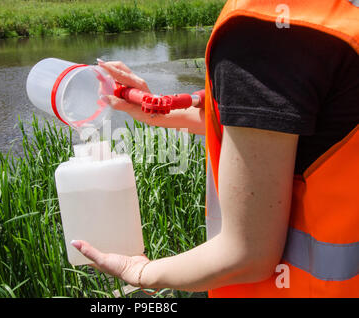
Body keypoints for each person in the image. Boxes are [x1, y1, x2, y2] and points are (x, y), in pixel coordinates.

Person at [71, 0, 359, 297]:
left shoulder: (262, 32)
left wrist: (141, 272)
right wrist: (154, 111)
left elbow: (248, 256)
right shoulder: (333, 16)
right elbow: (270, 124)